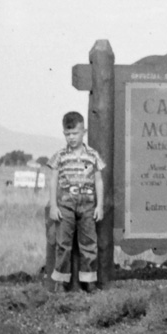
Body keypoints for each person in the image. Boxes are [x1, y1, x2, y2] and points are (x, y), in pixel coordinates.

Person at [47, 111, 105, 293]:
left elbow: (98, 181)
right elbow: (53, 180)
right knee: (63, 244)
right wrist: (54, 206)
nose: (71, 138)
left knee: (89, 243)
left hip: (87, 205)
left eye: (75, 133)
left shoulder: (92, 155)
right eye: (68, 134)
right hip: (65, 205)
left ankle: (89, 281)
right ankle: (62, 282)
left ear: (83, 132)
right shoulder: (60, 156)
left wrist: (100, 206)